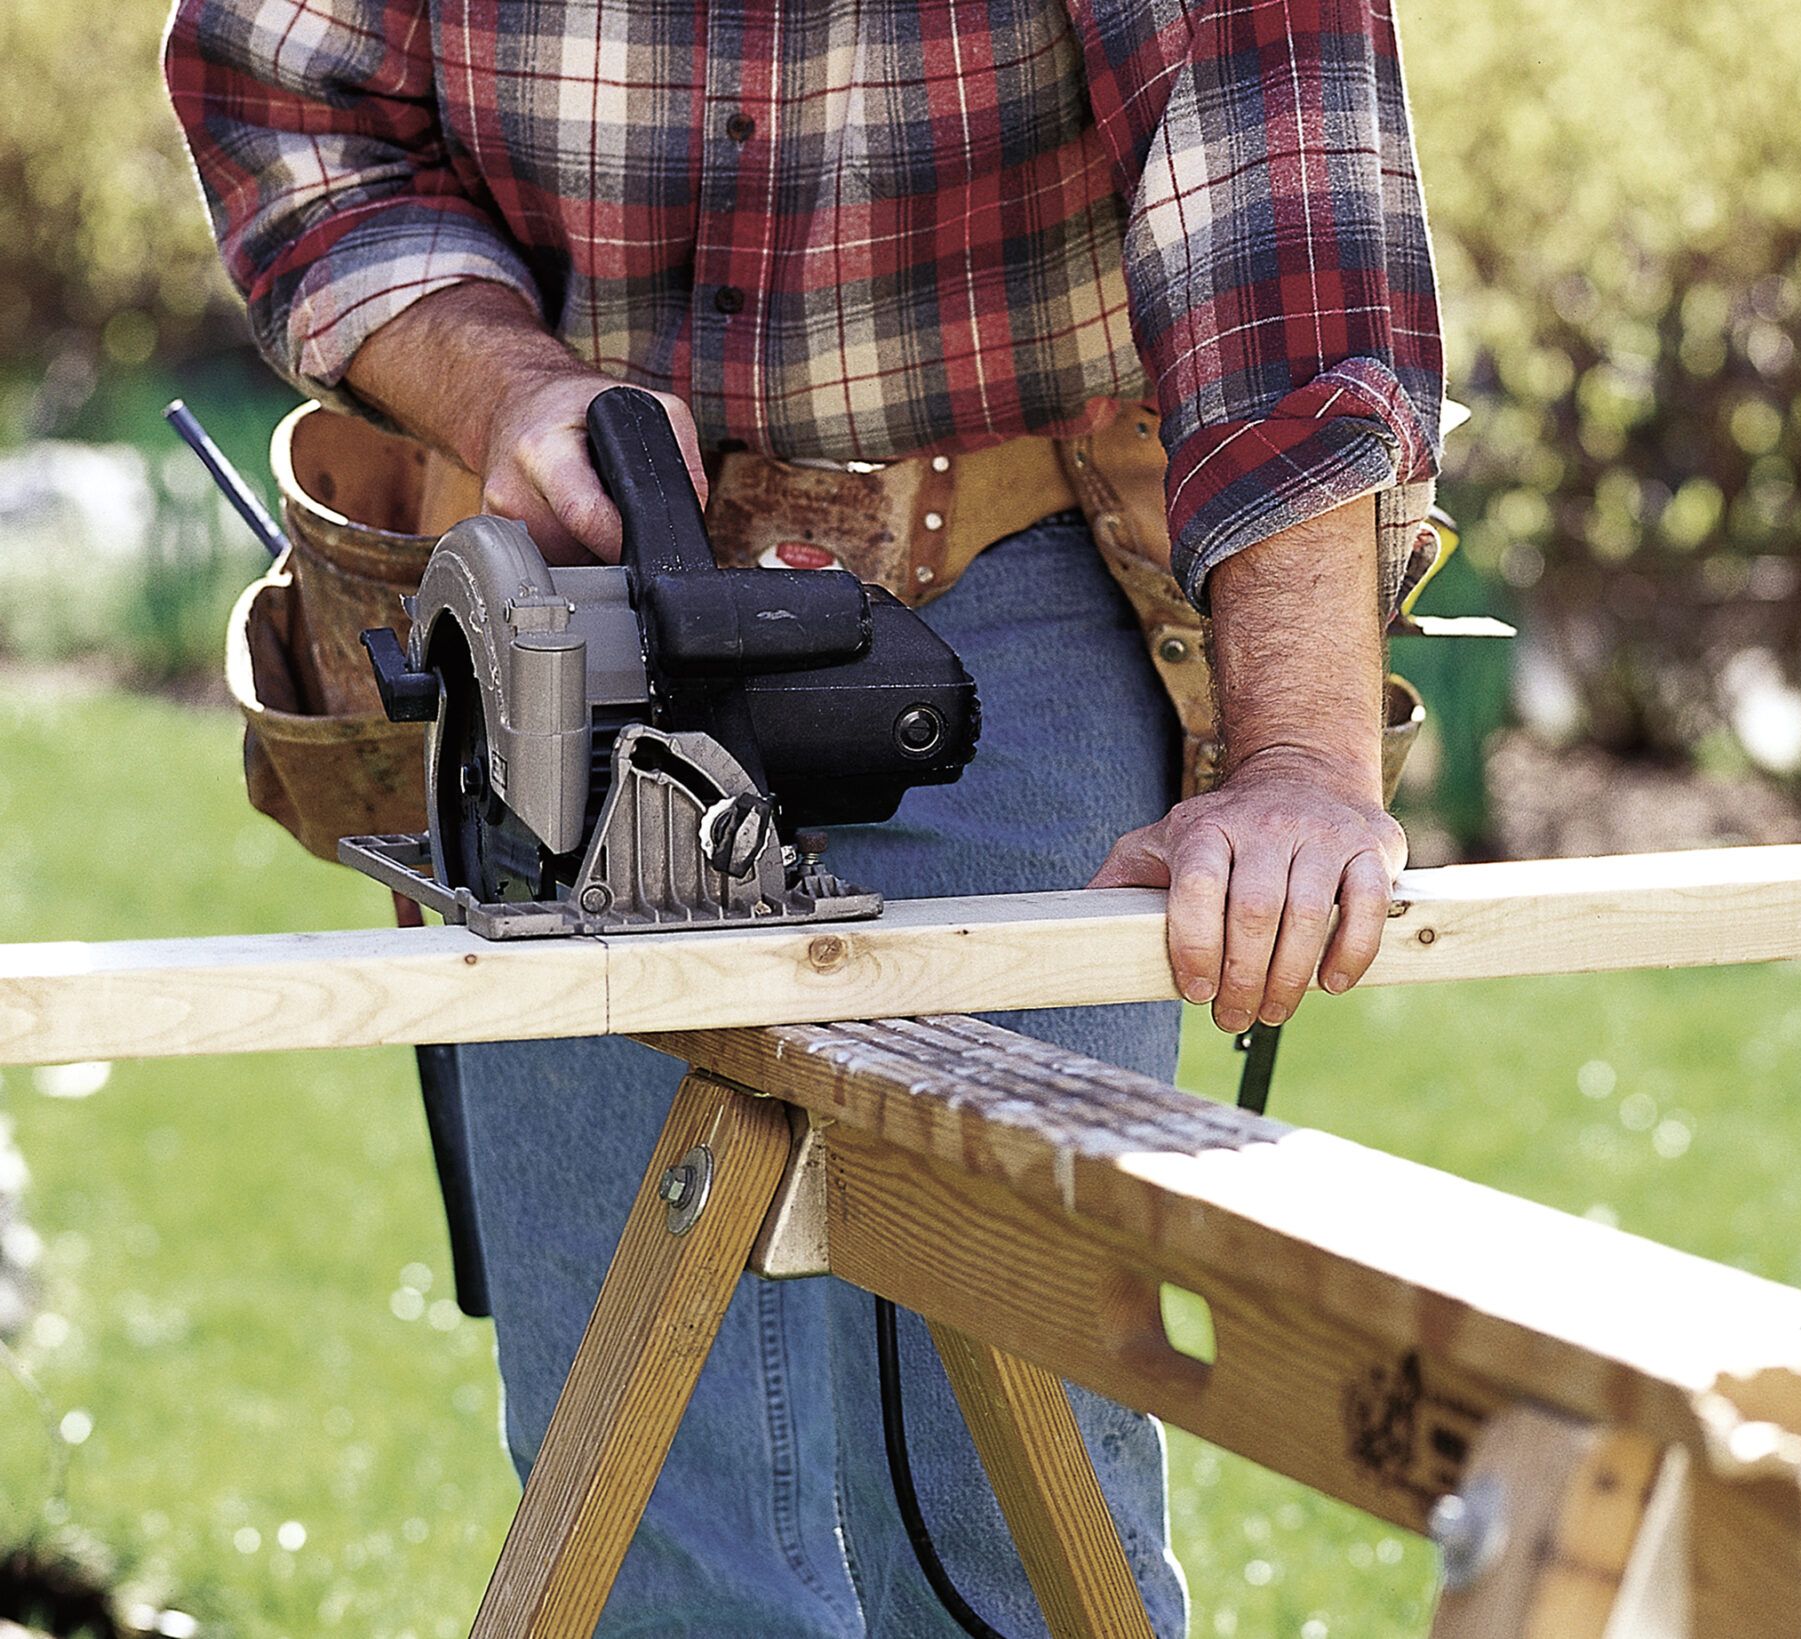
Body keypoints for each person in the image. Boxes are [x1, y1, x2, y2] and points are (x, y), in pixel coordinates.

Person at [163, 1, 1442, 1632]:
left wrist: (1302, 760)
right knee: (646, 1529)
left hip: (1002, 592)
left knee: (1019, 1507)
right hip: (572, 601)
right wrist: (508, 388)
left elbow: (1279, 189)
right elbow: (284, 93)